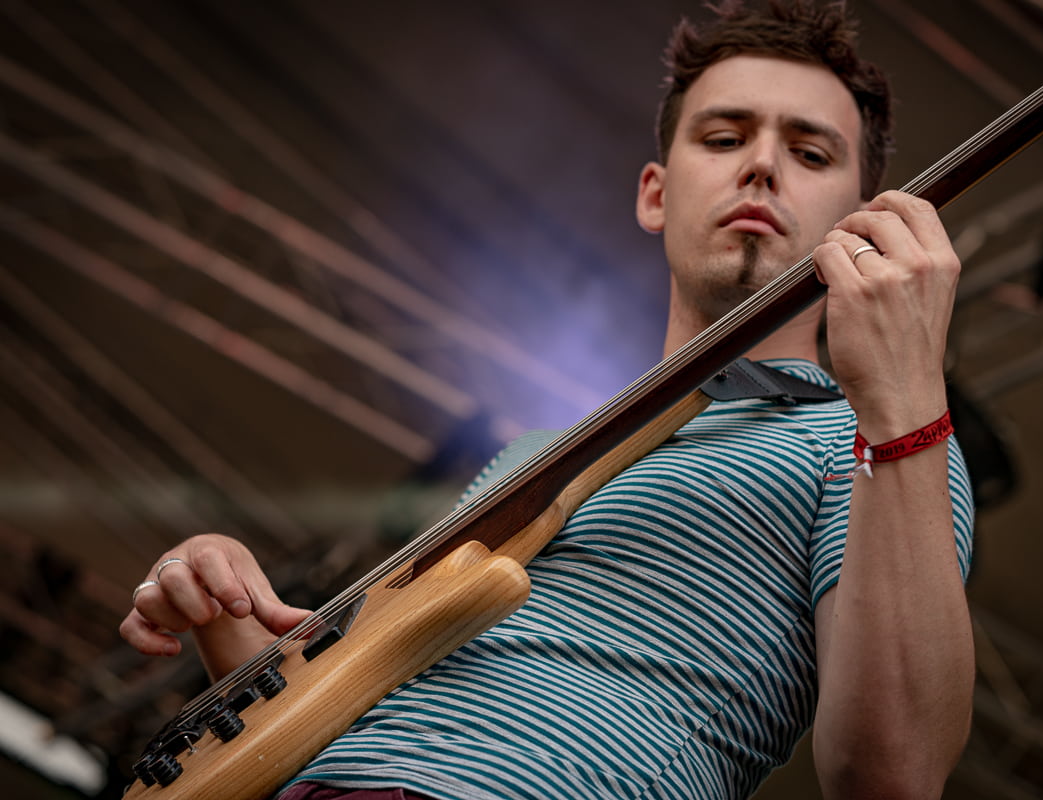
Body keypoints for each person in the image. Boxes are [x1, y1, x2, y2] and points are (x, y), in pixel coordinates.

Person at [120, 1, 976, 798]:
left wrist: (904, 401)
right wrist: (229, 618)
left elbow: (893, 776)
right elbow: (360, 697)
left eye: (811, 154)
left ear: (859, 220)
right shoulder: (535, 454)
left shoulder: (875, 441)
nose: (761, 165)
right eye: (724, 138)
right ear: (656, 193)